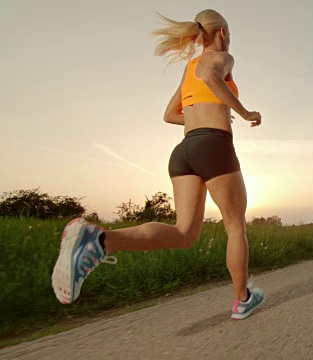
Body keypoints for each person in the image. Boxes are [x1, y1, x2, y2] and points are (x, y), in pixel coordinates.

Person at [51, 9, 265, 320]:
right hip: (213, 145)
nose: (228, 41)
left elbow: (170, 114)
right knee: (235, 225)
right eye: (228, 35)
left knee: (183, 234)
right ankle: (242, 299)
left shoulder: (189, 68)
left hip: (185, 151)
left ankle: (100, 240)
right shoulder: (220, 58)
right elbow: (210, 75)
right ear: (221, 34)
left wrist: (203, 113)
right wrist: (243, 113)